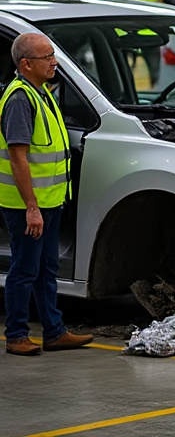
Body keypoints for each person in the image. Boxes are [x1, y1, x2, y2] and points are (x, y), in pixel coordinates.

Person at [2, 33, 93, 356]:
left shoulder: (41, 93)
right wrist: (31, 208)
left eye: (53, 54)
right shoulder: (19, 100)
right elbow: (18, 158)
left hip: (50, 201)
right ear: (26, 64)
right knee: (25, 271)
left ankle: (54, 332)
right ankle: (16, 336)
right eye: (47, 57)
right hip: (28, 205)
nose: (54, 62)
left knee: (45, 269)